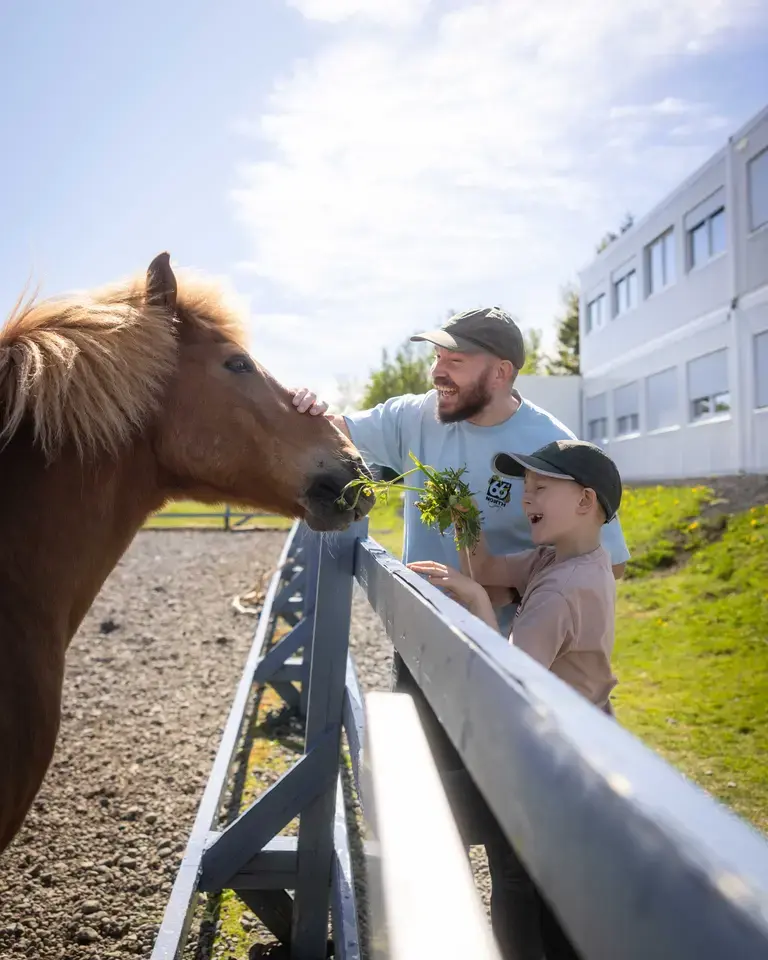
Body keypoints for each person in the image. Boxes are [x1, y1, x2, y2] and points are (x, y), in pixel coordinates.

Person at [292, 307, 630, 958]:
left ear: (500, 372)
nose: (437, 369)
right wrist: (309, 407)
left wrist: (507, 590)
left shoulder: (550, 446)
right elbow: (335, 434)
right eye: (436, 356)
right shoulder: (414, 417)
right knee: (428, 821)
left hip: (516, 674)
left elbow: (602, 560)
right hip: (424, 654)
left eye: (456, 358)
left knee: (519, 847)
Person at [408, 438, 623, 959]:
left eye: (541, 488)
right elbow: (489, 569)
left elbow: (504, 677)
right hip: (568, 745)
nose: (527, 500)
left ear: (584, 501)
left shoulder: (560, 590)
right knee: (529, 873)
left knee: (521, 880)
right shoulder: (565, 559)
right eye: (526, 488)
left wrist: (477, 601)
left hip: (556, 758)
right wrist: (462, 518)